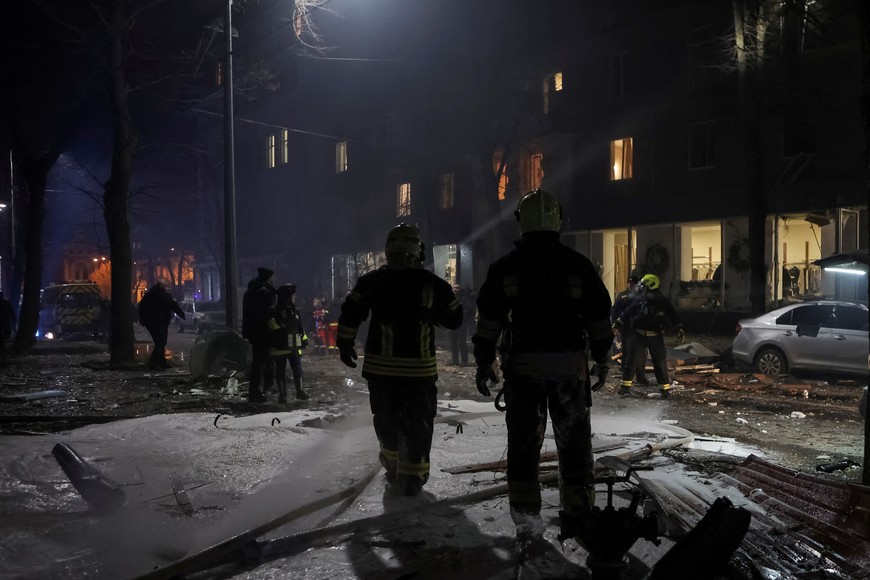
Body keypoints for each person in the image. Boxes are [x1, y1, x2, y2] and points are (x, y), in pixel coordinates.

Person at [471, 189, 613, 562]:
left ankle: (526, 518)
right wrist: (603, 359)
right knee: (574, 443)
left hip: (524, 374)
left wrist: (485, 363)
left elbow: (488, 323)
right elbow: (600, 320)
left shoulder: (505, 268)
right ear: (558, 221)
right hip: (569, 372)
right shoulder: (578, 266)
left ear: (521, 221)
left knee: (523, 445)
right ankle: (579, 511)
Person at [337, 223, 462, 496]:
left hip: (381, 370)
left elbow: (350, 312)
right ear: (419, 251)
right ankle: (413, 480)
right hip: (419, 372)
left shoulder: (372, 282)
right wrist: (432, 315)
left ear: (388, 250)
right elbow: (455, 319)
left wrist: (345, 344)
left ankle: (393, 467)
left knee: (386, 420)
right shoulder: (434, 284)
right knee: (418, 423)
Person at [613, 273, 686, 399]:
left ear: (651, 285)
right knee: (642, 361)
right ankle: (628, 388)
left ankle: (661, 390)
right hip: (645, 335)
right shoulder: (645, 299)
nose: (642, 288)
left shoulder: (654, 300)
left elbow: (672, 314)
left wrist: (679, 328)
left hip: (649, 335)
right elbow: (628, 311)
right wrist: (618, 322)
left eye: (644, 285)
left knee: (649, 361)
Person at [267, 283, 310, 403]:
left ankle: (300, 391)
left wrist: (304, 339)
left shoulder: (296, 311)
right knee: (280, 371)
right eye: (293, 295)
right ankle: (283, 394)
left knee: (298, 370)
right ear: (287, 296)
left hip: (294, 347)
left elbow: (300, 328)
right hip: (279, 346)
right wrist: (281, 325)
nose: (295, 298)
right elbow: (272, 326)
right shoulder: (274, 312)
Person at [242, 267, 277, 403]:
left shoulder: (251, 291)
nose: (275, 279)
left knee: (265, 360)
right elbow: (267, 314)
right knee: (261, 361)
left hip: (253, 330)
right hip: (262, 331)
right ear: (268, 278)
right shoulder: (264, 293)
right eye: (273, 277)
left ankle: (265, 386)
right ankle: (255, 391)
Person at [611, 275, 649, 385]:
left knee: (642, 353)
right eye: (629, 283)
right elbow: (615, 311)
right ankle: (626, 375)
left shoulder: (641, 296)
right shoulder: (622, 296)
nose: (630, 285)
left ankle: (640, 375)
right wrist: (615, 325)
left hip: (639, 328)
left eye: (632, 283)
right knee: (627, 351)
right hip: (627, 328)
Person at [138, 283, 184, 370]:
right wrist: (182, 314)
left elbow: (141, 308)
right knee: (161, 342)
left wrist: (142, 320)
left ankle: (161, 362)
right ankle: (155, 362)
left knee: (159, 342)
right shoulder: (165, 296)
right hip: (162, 322)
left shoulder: (147, 297)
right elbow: (174, 305)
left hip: (150, 323)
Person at [449, 285, 476, 366]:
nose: (455, 289)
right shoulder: (451, 297)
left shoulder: (464, 297)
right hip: (453, 323)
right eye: (454, 288)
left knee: (462, 342)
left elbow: (468, 309)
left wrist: (460, 317)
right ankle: (455, 361)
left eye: (457, 288)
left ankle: (464, 361)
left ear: (459, 289)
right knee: (453, 342)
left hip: (461, 324)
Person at [0, 291, 17, 361]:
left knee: (2, 338)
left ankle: (2, 353)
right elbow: (12, 313)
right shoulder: (7, 303)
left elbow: (12, 314)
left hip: (4, 324)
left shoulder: (6, 303)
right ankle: (2, 354)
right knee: (2, 338)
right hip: (5, 324)